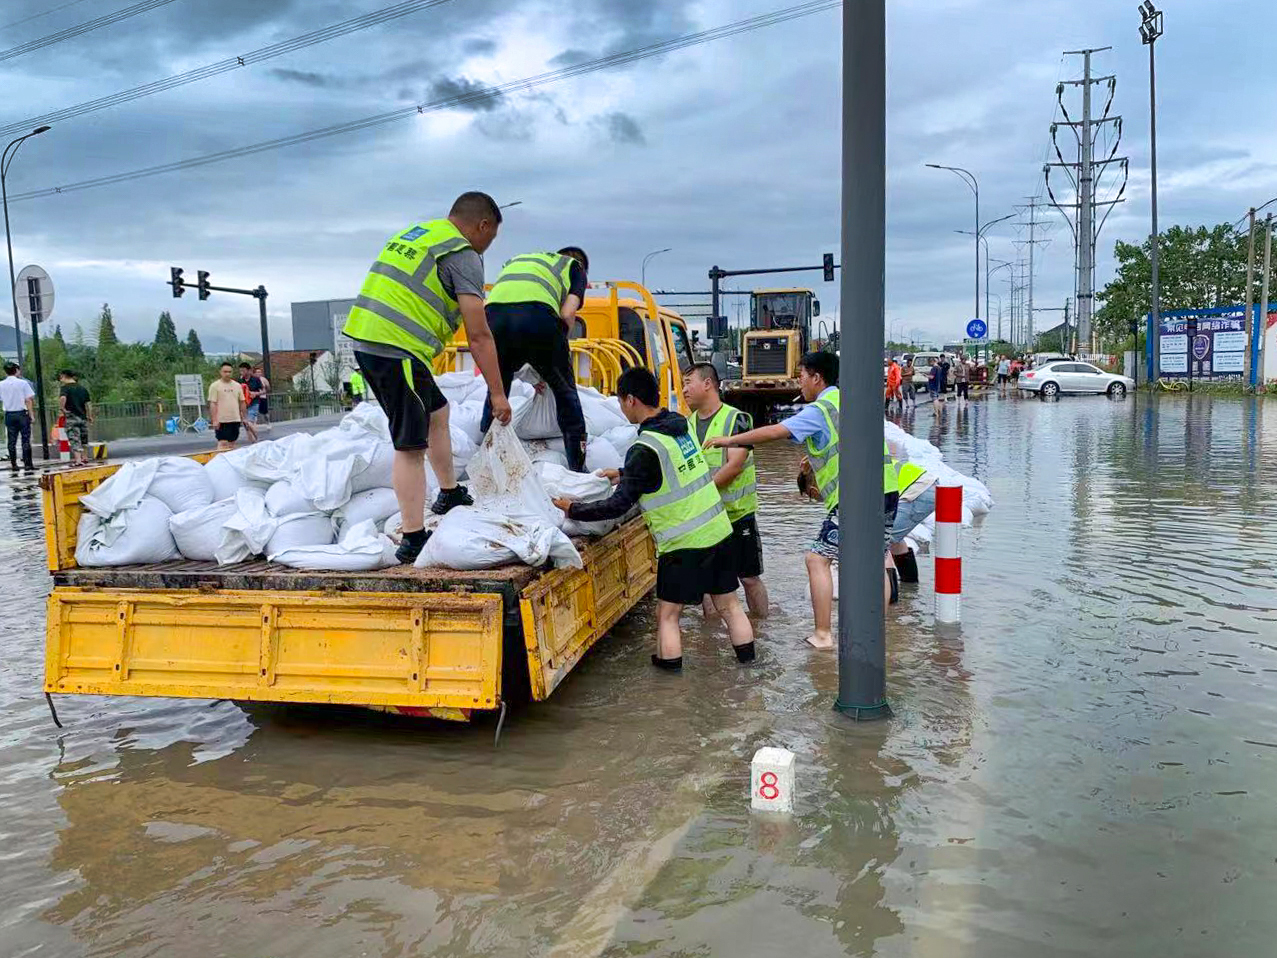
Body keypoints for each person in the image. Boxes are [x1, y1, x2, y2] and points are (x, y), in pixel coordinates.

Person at [342, 191, 513, 564]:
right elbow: (479, 333)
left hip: (376, 339)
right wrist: (498, 395)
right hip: (394, 345)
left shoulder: (423, 233)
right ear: (483, 226)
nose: (488, 247)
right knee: (410, 446)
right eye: (491, 237)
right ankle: (413, 535)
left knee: (438, 411)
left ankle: (449, 491)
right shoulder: (462, 253)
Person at [551, 367, 755, 671]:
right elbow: (670, 470)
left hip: (682, 544)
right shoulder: (680, 428)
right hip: (718, 531)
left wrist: (573, 509)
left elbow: (618, 506)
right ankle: (749, 669)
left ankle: (670, 682)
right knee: (731, 606)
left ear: (631, 400)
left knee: (668, 616)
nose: (621, 409)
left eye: (621, 402)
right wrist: (623, 474)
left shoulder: (643, 448)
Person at [705, 351, 900, 649]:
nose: (800, 384)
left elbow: (774, 432)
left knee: (816, 559)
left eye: (802, 377)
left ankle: (822, 635)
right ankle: (877, 633)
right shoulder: (852, 400)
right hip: (886, 490)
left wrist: (730, 440)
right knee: (874, 560)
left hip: (856, 497)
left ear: (817, 378)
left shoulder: (821, 409)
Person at [479, 246, 590, 471]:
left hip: (492, 315)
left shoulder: (521, 259)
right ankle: (577, 468)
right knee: (565, 393)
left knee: (498, 389)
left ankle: (484, 456)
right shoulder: (574, 267)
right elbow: (567, 313)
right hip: (537, 314)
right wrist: (557, 355)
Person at [682, 363, 769, 618]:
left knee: (749, 578)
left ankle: (761, 628)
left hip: (736, 515)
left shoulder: (738, 419)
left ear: (707, 384)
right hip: (705, 519)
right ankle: (713, 644)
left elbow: (734, 466)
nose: (684, 390)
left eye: (689, 382)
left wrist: (701, 496)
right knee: (708, 583)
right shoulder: (686, 425)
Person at [887, 456, 938, 585]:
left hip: (918, 491)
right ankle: (909, 586)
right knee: (893, 539)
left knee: (881, 542)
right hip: (924, 486)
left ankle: (890, 597)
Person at [2, 362, 35, 471]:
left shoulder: (1, 384)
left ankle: (14, 464)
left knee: (11, 440)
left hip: (9, 414)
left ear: (5, 371)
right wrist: (31, 415)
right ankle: (28, 464)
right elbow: (28, 400)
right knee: (25, 439)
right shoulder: (23, 383)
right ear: (16, 370)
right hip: (21, 414)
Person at [57, 370, 93, 466]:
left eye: (61, 377)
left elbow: (62, 398)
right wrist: (89, 416)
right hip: (83, 417)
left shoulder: (65, 388)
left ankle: (78, 460)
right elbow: (88, 404)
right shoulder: (82, 388)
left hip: (71, 416)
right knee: (84, 437)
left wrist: (62, 409)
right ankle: (85, 457)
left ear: (64, 376)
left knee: (74, 438)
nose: (61, 380)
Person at [208, 362, 247, 450]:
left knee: (232, 443)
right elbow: (213, 403)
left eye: (229, 372)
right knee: (223, 443)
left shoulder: (237, 386)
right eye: (225, 371)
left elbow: (242, 402)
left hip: (235, 419)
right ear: (220, 372)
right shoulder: (215, 386)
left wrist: (244, 417)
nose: (227, 374)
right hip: (222, 420)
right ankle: (220, 461)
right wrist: (214, 420)